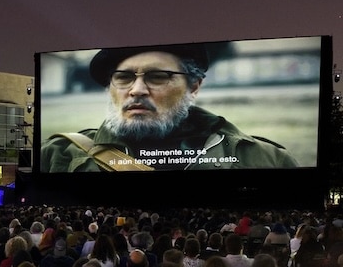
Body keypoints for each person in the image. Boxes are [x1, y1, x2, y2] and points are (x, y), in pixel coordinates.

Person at [40, 43, 298, 171]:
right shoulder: (56, 156)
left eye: (157, 76)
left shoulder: (267, 160)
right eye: (123, 77)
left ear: (194, 87)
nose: (137, 89)